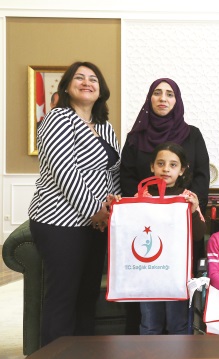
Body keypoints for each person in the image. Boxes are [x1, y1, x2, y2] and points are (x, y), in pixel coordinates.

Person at [27, 61, 120, 347]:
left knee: (86, 296)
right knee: (62, 297)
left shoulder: (105, 126)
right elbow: (66, 172)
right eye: (78, 78)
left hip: (96, 225)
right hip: (59, 222)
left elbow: (113, 172)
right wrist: (95, 211)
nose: (86, 82)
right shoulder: (58, 120)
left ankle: (83, 354)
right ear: (66, 86)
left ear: (100, 89)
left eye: (93, 78)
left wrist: (112, 210)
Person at [120, 78, 209, 334]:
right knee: (148, 309)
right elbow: (125, 175)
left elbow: (202, 174)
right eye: (157, 93)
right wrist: (144, 205)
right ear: (150, 99)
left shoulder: (192, 134)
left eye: (169, 94)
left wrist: (186, 207)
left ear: (176, 100)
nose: (163, 98)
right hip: (145, 223)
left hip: (182, 225)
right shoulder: (136, 137)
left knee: (178, 304)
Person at [137, 142, 206, 335]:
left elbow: (199, 234)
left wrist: (193, 211)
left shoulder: (188, 197)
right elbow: (130, 229)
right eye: (160, 163)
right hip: (148, 271)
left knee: (178, 324)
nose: (166, 169)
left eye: (173, 165)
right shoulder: (142, 195)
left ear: (182, 170)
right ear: (152, 167)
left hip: (178, 272)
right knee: (150, 323)